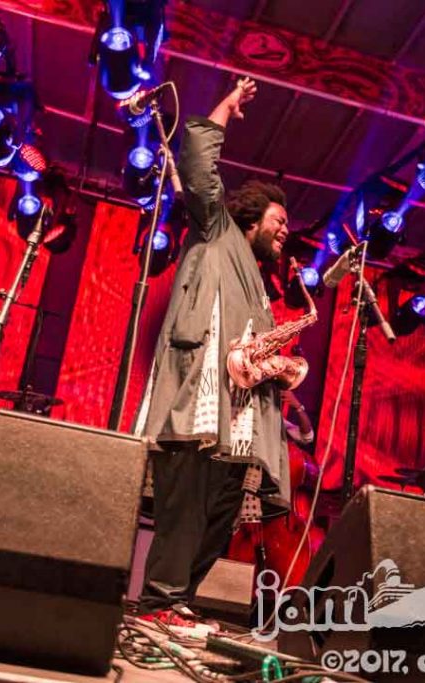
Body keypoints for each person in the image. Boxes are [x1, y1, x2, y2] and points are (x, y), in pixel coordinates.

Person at [135, 77, 292, 626]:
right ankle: (158, 602)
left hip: (240, 420)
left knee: (222, 511)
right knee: (186, 501)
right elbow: (200, 168)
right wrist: (224, 107)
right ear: (251, 218)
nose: (286, 231)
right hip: (199, 400)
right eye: (279, 221)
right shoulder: (217, 230)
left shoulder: (262, 288)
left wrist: (279, 367)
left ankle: (179, 600)